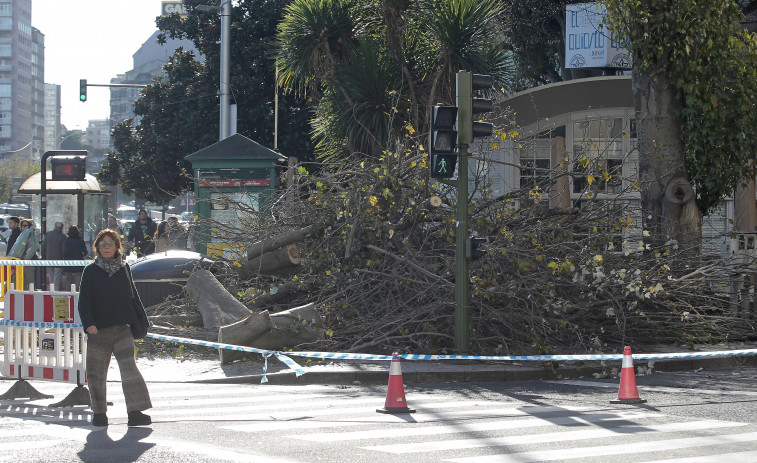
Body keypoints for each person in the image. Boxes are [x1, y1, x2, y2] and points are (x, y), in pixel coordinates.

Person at [78, 229, 152, 428]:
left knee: (130, 370)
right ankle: (99, 414)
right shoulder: (91, 271)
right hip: (98, 331)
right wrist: (89, 324)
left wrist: (141, 320)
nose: (107, 247)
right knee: (96, 374)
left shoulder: (124, 268)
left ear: (117, 246)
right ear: (97, 248)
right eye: (102, 244)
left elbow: (133, 296)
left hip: (122, 329)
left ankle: (135, 412)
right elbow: (83, 301)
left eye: (111, 243)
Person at [9, 218, 41, 289]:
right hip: (20, 261)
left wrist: (27, 254)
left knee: (29, 280)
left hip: (28, 261)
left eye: (25, 225)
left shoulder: (31, 236)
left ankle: (29, 295)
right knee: (18, 278)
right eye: (22, 226)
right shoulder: (22, 235)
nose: (23, 227)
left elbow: (35, 246)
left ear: (30, 226)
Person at [60, 225, 89, 291]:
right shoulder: (80, 241)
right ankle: (77, 293)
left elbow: (65, 252)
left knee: (68, 279)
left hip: (68, 263)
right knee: (78, 279)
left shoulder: (67, 241)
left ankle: (67, 293)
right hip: (79, 263)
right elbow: (85, 252)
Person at [42, 221, 66, 290]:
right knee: (57, 276)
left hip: (49, 258)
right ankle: (56, 290)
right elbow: (64, 250)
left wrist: (44, 256)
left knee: (51, 276)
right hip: (59, 259)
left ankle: (51, 289)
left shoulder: (48, 235)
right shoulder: (62, 237)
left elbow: (43, 247)